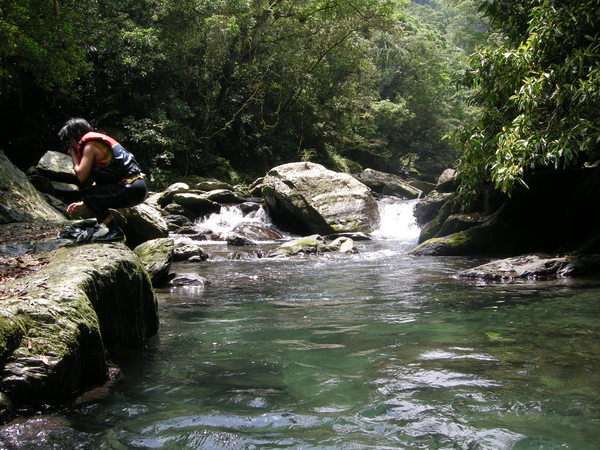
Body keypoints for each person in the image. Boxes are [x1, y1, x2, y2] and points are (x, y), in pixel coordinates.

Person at [58, 118, 147, 242]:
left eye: (69, 140)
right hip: (137, 188)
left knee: (86, 192)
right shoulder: (99, 143)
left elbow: (81, 175)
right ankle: (114, 231)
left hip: (129, 188)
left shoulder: (90, 146)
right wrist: (84, 203)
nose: (70, 144)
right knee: (89, 193)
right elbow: (100, 185)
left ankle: (115, 231)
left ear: (75, 134)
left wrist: (73, 156)